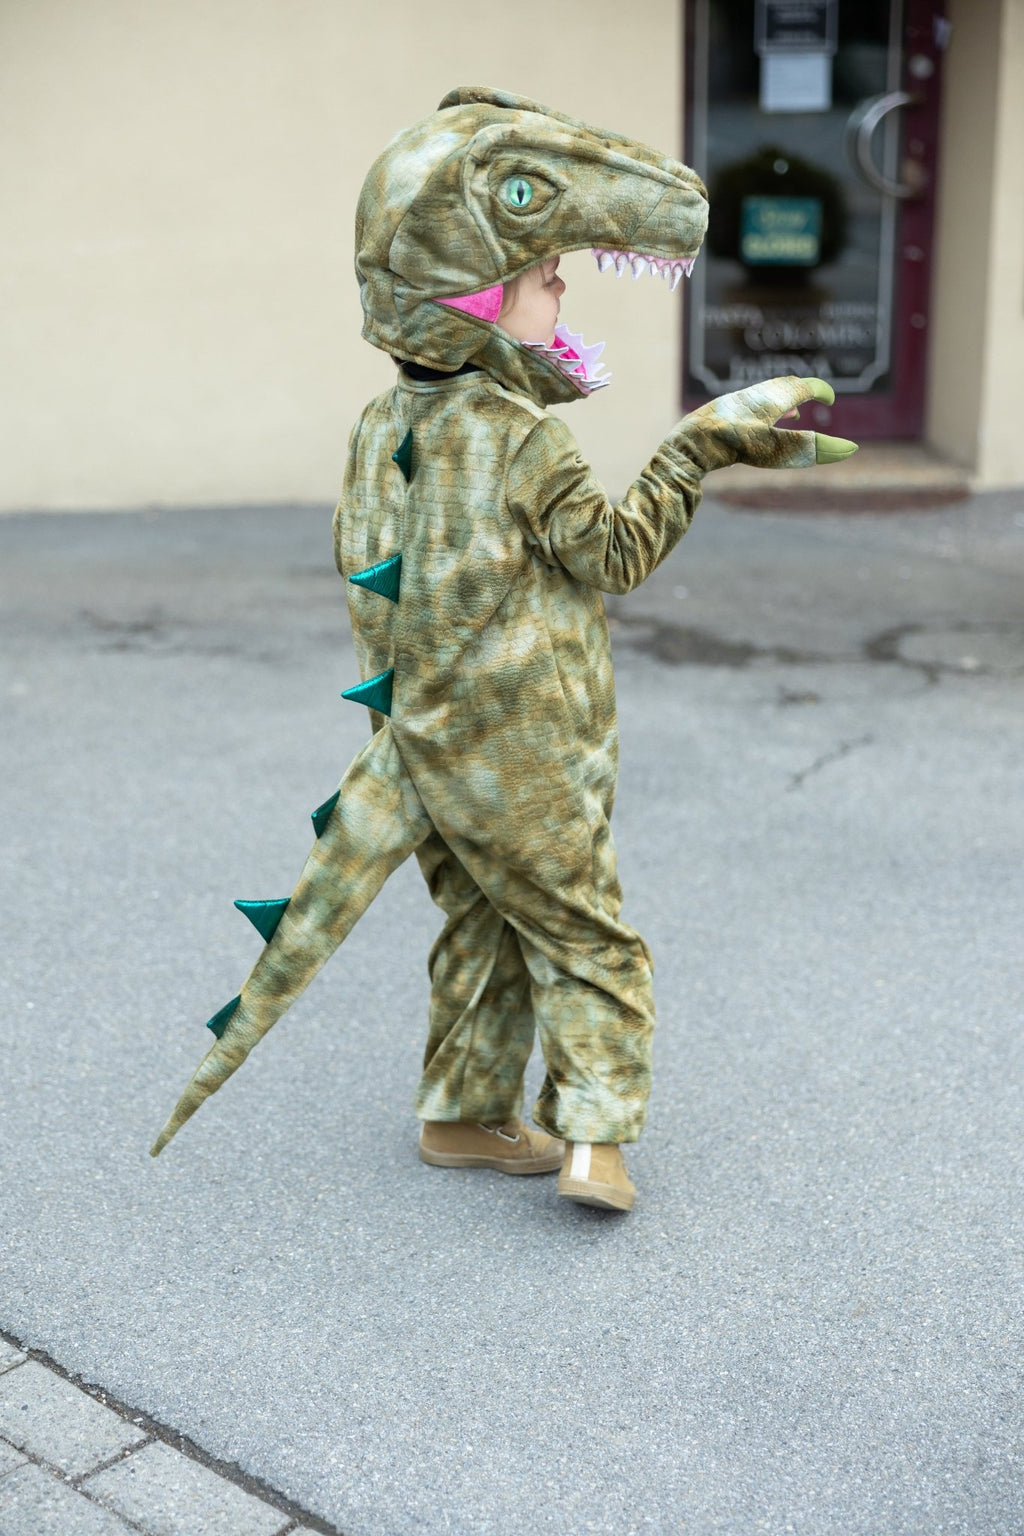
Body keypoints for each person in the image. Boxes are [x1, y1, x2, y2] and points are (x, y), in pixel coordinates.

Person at [151, 87, 855, 1214]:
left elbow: (370, 578)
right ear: (477, 298)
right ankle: (594, 1140)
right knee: (587, 939)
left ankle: (463, 1115)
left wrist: (410, 732)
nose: (562, 288)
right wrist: (698, 448)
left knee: (481, 923)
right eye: (546, 276)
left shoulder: (379, 425)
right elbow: (614, 555)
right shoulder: (523, 438)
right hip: (524, 749)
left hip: (420, 742)